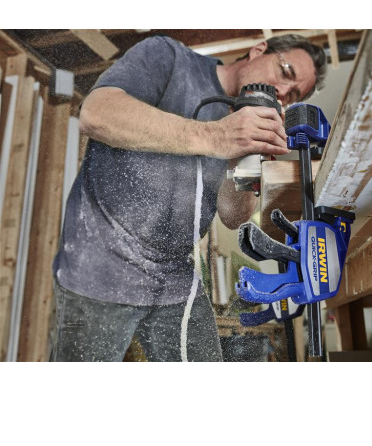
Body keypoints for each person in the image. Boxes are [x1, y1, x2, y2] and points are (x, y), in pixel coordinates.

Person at [50, 33, 327, 362]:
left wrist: (246, 161)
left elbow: (232, 215)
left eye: (293, 95)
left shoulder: (247, 125)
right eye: (285, 72)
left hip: (174, 277)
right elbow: (97, 113)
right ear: (258, 50)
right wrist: (217, 135)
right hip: (100, 266)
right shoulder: (169, 57)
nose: (282, 91)